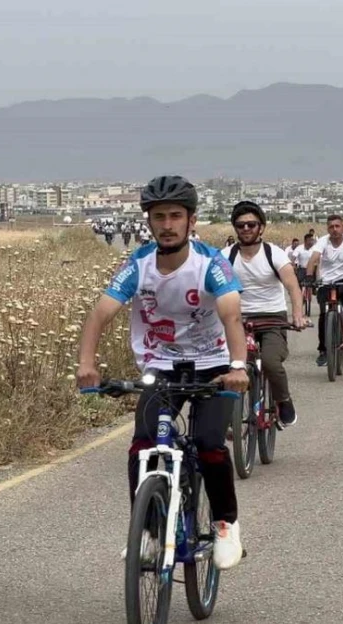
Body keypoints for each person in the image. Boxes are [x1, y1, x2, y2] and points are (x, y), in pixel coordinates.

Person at [76, 175, 249, 570]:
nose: (167, 225)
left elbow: (231, 314)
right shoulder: (138, 265)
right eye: (158, 217)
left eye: (175, 216)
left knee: (208, 444)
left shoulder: (211, 264)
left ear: (191, 221)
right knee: (142, 446)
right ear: (148, 222)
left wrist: (238, 367)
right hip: (161, 367)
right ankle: (150, 532)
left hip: (214, 366)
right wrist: (87, 363)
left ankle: (225, 523)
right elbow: (100, 314)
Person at [222, 201, 306, 427]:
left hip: (272, 319)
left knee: (270, 361)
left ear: (261, 227)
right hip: (238, 321)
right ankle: (228, 414)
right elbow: (211, 290)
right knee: (226, 365)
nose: (246, 229)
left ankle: (284, 401)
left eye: (251, 224)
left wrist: (297, 314)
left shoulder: (274, 254)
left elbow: (293, 287)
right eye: (241, 225)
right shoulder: (225, 257)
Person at [303, 214, 343, 367]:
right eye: (331, 227)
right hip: (327, 281)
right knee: (324, 315)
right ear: (327, 228)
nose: (335, 229)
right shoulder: (323, 242)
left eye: (338, 226)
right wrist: (310, 277)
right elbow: (313, 259)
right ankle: (323, 350)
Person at [293, 233, 317, 316]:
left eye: (312, 240)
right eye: (310, 240)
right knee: (299, 282)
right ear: (306, 241)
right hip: (302, 269)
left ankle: (314, 289)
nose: (312, 242)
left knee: (316, 277)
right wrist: (293, 265)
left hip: (312, 269)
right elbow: (293, 257)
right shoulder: (299, 248)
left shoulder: (315, 249)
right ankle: (301, 296)